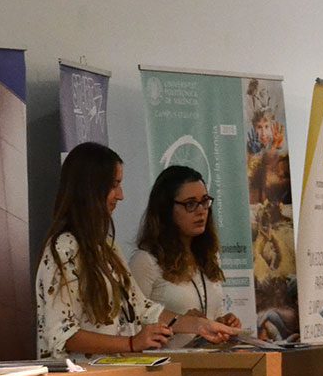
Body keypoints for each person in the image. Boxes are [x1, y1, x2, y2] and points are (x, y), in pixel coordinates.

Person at [35, 143, 235, 359]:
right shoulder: (64, 246)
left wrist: (198, 325)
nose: (121, 195)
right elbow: (62, 334)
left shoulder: (107, 247)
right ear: (90, 188)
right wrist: (131, 343)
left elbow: (143, 309)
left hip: (114, 374)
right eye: (114, 185)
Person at [129, 165, 242, 329]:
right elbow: (131, 324)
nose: (201, 211)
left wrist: (221, 322)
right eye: (190, 204)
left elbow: (213, 313)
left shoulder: (210, 255)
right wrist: (181, 323)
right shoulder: (145, 260)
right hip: (167, 347)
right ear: (166, 209)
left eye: (204, 201)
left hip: (207, 347)